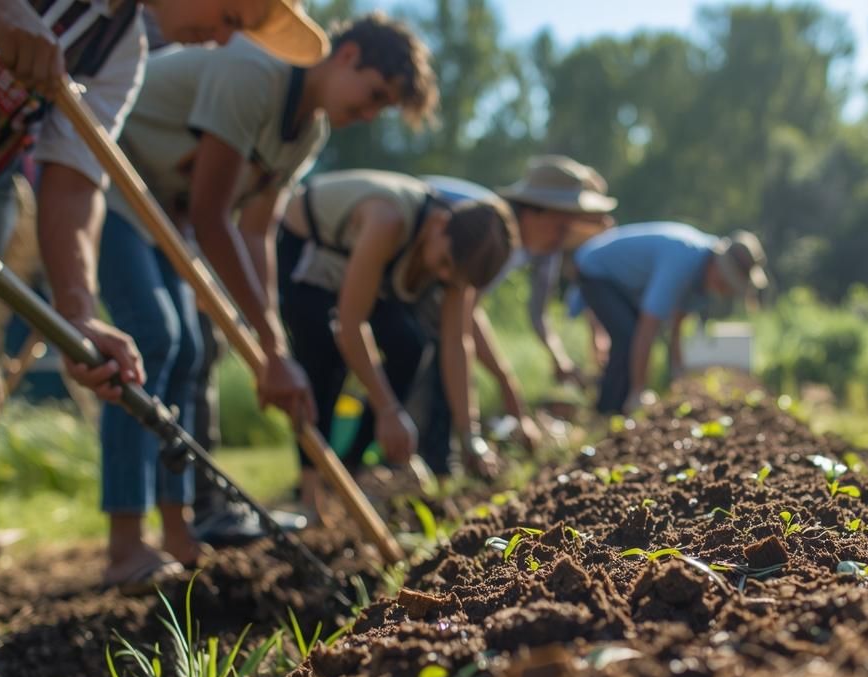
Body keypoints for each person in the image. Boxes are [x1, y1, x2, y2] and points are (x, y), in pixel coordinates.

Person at [0, 0, 332, 584]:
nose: (225, 41)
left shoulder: (120, 55)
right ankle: (128, 536)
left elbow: (72, 183)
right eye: (230, 14)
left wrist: (80, 314)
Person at [94, 14, 436, 589]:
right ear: (346, 55)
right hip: (108, 177)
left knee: (190, 349)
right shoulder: (255, 71)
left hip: (164, 215)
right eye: (376, 94)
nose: (372, 113)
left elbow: (255, 233)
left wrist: (270, 342)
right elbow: (212, 211)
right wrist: (274, 347)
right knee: (154, 335)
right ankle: (125, 544)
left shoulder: (307, 132)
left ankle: (178, 531)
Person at [275, 170, 517, 516]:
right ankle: (311, 496)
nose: (445, 278)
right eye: (445, 264)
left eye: (456, 278)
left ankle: (350, 469)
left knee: (411, 347)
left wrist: (469, 437)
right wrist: (388, 408)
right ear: (438, 225)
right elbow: (350, 325)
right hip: (310, 251)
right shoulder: (388, 221)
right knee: (323, 361)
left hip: (359, 265)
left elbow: (455, 345)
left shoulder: (458, 262)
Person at [376, 156, 616, 476]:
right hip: (393, 258)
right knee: (420, 351)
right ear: (531, 210)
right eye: (560, 227)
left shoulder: (541, 248)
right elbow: (462, 328)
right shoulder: (490, 236)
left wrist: (525, 380)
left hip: (423, 283)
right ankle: (416, 462)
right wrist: (506, 388)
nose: (563, 238)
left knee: (430, 354)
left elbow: (529, 314)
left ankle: (436, 460)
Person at [572, 223, 768, 414]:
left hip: (625, 284)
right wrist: (638, 391)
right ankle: (607, 412)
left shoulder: (700, 284)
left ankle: (617, 405)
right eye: (725, 281)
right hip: (597, 269)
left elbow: (676, 327)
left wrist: (677, 373)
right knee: (628, 336)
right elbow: (647, 327)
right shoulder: (682, 260)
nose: (723, 289)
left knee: (630, 337)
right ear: (717, 264)